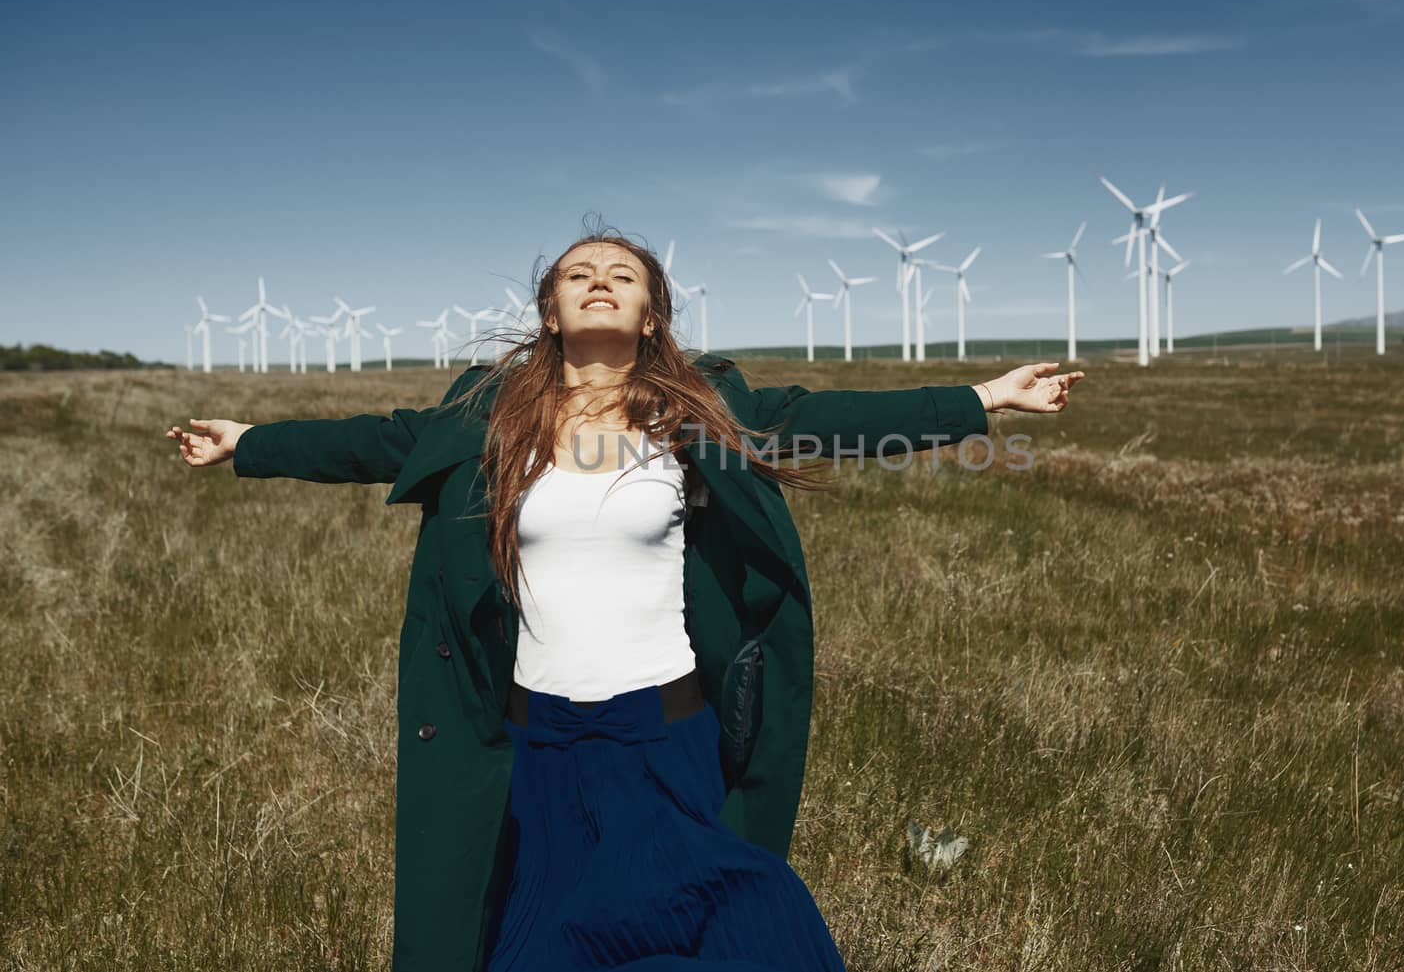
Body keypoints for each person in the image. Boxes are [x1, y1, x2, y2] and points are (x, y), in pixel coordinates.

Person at [165, 220, 1084, 971]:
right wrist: (247, 442)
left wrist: (984, 399)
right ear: (552, 312)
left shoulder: (698, 414)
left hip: (666, 735)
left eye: (621, 274)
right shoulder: (487, 417)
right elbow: (371, 440)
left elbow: (830, 418)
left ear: (651, 316)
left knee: (754, 932)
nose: (598, 279)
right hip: (536, 745)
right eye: (577, 274)